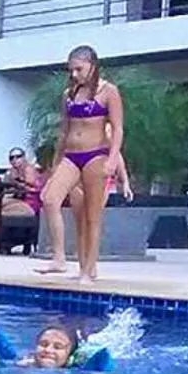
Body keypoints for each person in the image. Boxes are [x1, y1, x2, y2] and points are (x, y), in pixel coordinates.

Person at [38, 46, 132, 283]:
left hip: (95, 155)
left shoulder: (108, 91)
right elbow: (64, 130)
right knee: (49, 198)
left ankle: (87, 270)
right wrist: (55, 164)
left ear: (92, 65)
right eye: (71, 70)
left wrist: (112, 159)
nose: (75, 74)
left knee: (92, 216)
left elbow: (118, 128)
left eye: (79, 69)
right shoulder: (69, 94)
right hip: (71, 156)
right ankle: (59, 257)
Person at [0, 146, 42, 253]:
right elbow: (8, 187)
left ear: (24, 158)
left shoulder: (29, 169)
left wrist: (17, 183)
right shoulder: (12, 172)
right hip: (18, 201)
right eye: (12, 158)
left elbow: (32, 187)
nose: (15, 160)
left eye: (18, 157)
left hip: (30, 205)